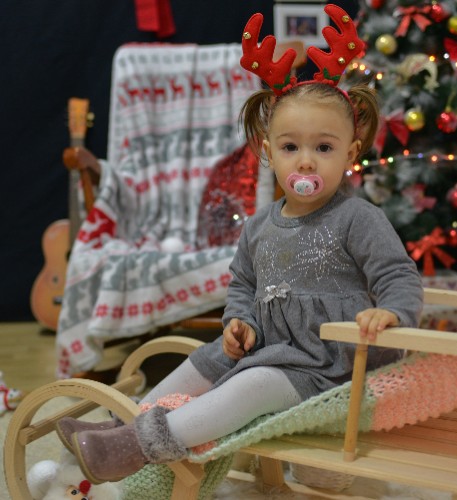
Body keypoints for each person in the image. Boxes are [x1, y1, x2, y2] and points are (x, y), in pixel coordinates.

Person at [55, 4, 423, 485]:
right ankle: (120, 424)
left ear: (350, 153)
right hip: (269, 346)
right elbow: (243, 285)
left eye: (324, 147)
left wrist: (390, 312)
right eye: (290, 147)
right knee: (204, 360)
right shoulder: (259, 225)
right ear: (268, 152)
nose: (306, 162)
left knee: (251, 386)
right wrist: (239, 321)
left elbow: (398, 274)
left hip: (328, 366)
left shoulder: (357, 218)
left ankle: (138, 446)